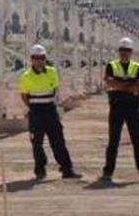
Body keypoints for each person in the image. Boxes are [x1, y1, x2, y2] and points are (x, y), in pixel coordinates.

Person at [18, 44, 82, 180]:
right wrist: (32, 107)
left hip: (50, 109)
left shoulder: (52, 72)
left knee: (58, 140)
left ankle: (67, 169)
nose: (39, 61)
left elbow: (55, 89)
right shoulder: (26, 76)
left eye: (41, 58)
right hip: (36, 112)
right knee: (37, 143)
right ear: (31, 59)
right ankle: (40, 169)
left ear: (45, 58)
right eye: (36, 58)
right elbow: (24, 95)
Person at [100, 37, 139, 182]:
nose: (124, 53)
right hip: (116, 109)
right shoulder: (111, 65)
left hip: (132, 109)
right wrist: (129, 87)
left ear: (131, 52)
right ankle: (108, 172)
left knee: (137, 140)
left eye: (127, 50)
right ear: (119, 51)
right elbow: (109, 82)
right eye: (122, 50)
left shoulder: (137, 66)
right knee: (113, 141)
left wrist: (120, 86)